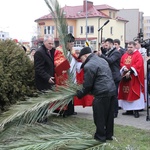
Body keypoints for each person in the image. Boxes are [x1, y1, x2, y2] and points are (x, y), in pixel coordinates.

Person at [76, 47, 116, 143]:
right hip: (112, 90)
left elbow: (88, 85)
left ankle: (100, 136)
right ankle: (108, 135)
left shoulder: (89, 65)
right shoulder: (102, 60)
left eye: (81, 59)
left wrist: (79, 94)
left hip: (101, 93)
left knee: (99, 116)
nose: (81, 61)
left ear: (85, 55)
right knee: (109, 115)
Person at [118, 41, 145, 118]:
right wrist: (124, 68)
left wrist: (130, 71)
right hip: (126, 78)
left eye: (131, 47)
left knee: (134, 93)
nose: (129, 49)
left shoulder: (138, 55)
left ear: (135, 47)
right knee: (126, 93)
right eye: (128, 47)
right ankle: (128, 110)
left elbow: (138, 65)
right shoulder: (125, 55)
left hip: (134, 78)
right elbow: (121, 62)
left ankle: (136, 110)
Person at [98, 38, 122, 118]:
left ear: (111, 44)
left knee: (114, 95)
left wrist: (101, 55)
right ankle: (110, 110)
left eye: (106, 45)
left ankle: (115, 112)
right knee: (109, 94)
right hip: (110, 76)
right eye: (104, 45)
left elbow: (110, 61)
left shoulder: (116, 53)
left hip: (115, 76)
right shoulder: (109, 51)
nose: (105, 47)